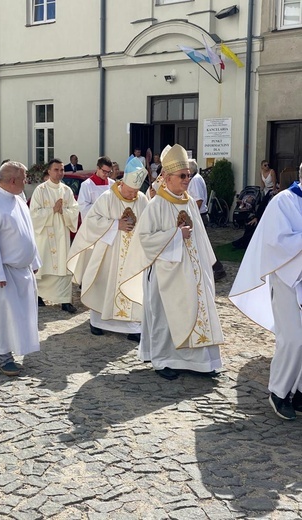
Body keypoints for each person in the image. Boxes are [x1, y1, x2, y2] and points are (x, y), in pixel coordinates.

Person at [120, 144, 223, 381]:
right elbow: (144, 239)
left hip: (193, 272)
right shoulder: (156, 205)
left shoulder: (187, 202)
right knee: (165, 318)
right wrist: (175, 235)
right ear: (166, 177)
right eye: (183, 176)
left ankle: (199, 361)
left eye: (189, 175)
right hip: (166, 273)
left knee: (197, 312)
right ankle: (163, 360)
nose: (188, 180)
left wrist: (208, 265)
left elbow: (200, 236)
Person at [229, 166, 302, 420]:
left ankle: (300, 391)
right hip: (287, 279)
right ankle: (279, 392)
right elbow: (276, 242)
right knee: (293, 338)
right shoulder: (284, 202)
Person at [67, 157, 148, 341]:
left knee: (132, 286)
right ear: (123, 183)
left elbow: (148, 222)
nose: (132, 195)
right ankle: (97, 323)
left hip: (132, 254)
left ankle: (134, 326)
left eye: (136, 191)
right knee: (103, 285)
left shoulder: (141, 199)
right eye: (130, 191)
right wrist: (115, 225)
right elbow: (91, 221)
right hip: (108, 252)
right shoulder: (107, 198)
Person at [0, 161, 41, 376]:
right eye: (23, 178)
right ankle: (3, 357)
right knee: (3, 316)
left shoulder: (18, 199)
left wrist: (33, 260)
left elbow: (27, 231)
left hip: (21, 269)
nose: (26, 182)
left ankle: (17, 347)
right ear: (12, 180)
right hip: (4, 272)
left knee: (21, 315)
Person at [30, 158, 79, 313]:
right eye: (56, 170)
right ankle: (39, 296)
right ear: (49, 171)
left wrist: (63, 210)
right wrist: (52, 210)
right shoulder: (40, 190)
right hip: (45, 236)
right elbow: (33, 214)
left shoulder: (66, 190)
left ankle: (65, 301)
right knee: (44, 266)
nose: (59, 173)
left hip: (61, 235)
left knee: (63, 268)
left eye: (62, 170)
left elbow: (75, 211)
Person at [188, 159, 226, 281]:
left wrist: (191, 215)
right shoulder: (196, 179)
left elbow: (198, 200)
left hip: (199, 216)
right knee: (202, 245)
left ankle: (217, 268)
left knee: (203, 245)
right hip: (200, 215)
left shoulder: (195, 180)